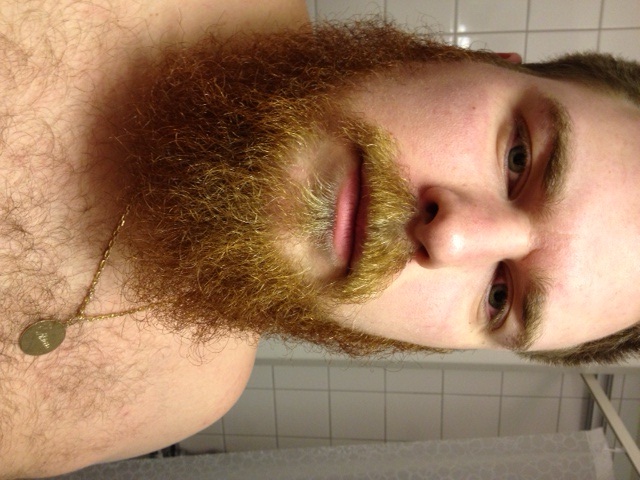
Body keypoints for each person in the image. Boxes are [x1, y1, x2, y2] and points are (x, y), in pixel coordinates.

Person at [1, 0, 639, 477]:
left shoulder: (181, 397)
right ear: (480, 61)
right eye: (519, 157)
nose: (450, 238)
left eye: (500, 297)